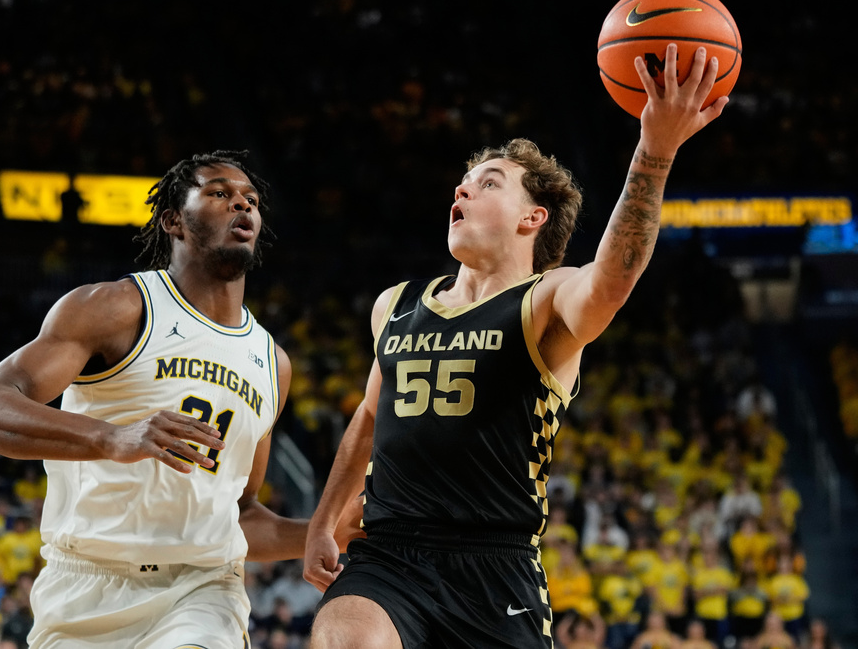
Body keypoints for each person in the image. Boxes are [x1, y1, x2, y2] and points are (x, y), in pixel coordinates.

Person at [303, 44, 727, 649]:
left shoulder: (546, 300)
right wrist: (323, 520)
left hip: (496, 565)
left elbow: (613, 278)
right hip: (390, 556)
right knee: (345, 639)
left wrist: (654, 151)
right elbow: (370, 418)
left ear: (533, 217)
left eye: (489, 183)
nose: (462, 190)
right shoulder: (395, 304)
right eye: (464, 183)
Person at [0, 151, 360, 648]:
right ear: (173, 220)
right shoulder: (115, 309)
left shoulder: (272, 363)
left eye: (251, 200)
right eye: (219, 193)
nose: (243, 205)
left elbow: (241, 515)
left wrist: (320, 531)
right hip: (84, 586)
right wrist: (110, 437)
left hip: (203, 590)